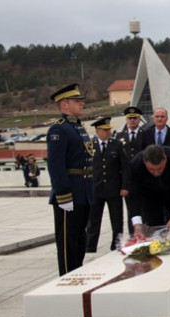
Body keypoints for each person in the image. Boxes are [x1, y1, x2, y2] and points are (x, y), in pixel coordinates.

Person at [46, 83, 94, 276]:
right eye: (77, 101)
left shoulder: (77, 127)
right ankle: (66, 277)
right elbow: (56, 166)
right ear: (64, 105)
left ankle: (76, 273)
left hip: (83, 192)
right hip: (70, 194)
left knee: (80, 239)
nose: (81, 104)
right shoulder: (59, 130)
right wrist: (63, 195)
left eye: (81, 100)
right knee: (68, 242)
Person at [85, 117, 129, 252]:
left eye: (109, 130)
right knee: (93, 220)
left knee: (117, 219)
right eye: (105, 130)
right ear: (98, 131)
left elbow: (125, 167)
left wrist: (125, 186)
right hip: (96, 189)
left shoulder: (116, 145)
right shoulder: (90, 145)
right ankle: (90, 245)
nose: (108, 132)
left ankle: (116, 244)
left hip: (113, 188)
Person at [128, 145, 170, 237]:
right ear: (145, 162)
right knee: (151, 230)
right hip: (149, 197)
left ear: (165, 160)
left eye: (160, 168)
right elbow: (134, 195)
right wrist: (137, 224)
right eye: (151, 169)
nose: (156, 173)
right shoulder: (135, 164)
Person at [115, 106, 144, 235]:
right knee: (130, 209)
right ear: (126, 119)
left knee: (144, 207)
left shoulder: (145, 134)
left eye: (135, 118)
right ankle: (133, 234)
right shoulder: (119, 136)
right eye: (130, 118)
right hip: (127, 179)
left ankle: (145, 232)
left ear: (139, 119)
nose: (132, 121)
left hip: (142, 177)